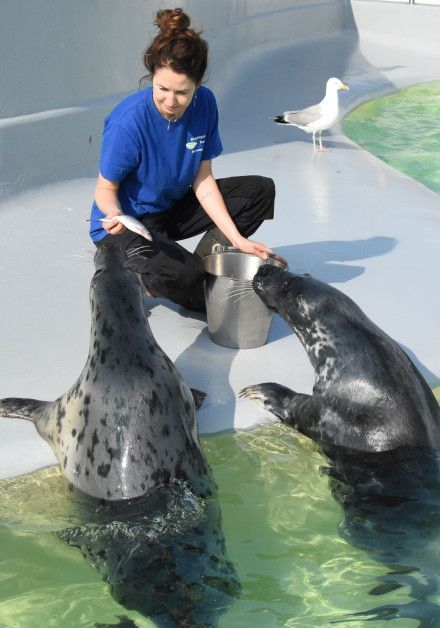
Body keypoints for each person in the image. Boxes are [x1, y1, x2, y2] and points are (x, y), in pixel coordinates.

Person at [89, 7, 275, 312]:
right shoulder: (128, 122)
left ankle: (196, 264)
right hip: (129, 223)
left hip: (171, 208)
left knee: (260, 193)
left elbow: (203, 181)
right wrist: (115, 216)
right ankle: (141, 270)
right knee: (192, 283)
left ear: (198, 85)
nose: (170, 102)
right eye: (162, 89)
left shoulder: (206, 105)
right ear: (152, 76)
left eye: (182, 93)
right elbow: (104, 189)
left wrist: (237, 240)